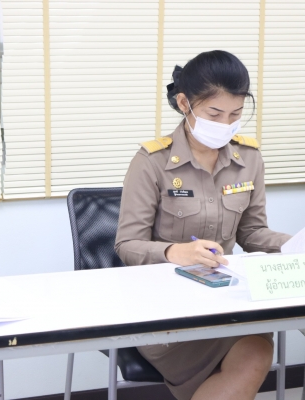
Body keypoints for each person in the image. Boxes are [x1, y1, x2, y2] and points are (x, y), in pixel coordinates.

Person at [115, 50, 291, 400]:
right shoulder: (152, 162)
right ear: (185, 103)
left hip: (225, 302)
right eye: (214, 114)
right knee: (253, 353)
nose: (226, 124)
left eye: (236, 114)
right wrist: (176, 252)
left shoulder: (249, 158)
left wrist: (292, 245)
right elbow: (127, 244)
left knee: (257, 349)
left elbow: (252, 233)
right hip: (165, 309)